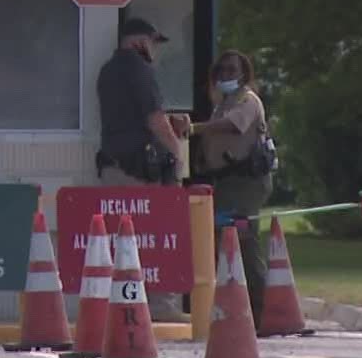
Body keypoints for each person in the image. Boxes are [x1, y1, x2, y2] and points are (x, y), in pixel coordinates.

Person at [183, 49, 275, 328]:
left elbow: (233, 127)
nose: (225, 75)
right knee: (223, 244)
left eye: (231, 70)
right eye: (221, 71)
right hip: (225, 182)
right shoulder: (223, 103)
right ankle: (236, 310)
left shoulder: (247, 100)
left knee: (244, 244)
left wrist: (194, 128)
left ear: (244, 73)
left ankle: (262, 315)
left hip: (245, 184)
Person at [94, 17, 183, 185]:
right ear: (141, 42)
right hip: (138, 173)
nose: (155, 49)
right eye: (153, 43)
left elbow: (126, 114)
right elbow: (156, 121)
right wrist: (177, 154)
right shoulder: (140, 69)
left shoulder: (107, 70)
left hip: (110, 167)